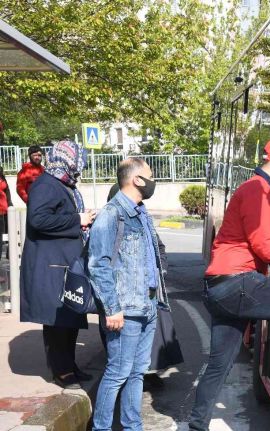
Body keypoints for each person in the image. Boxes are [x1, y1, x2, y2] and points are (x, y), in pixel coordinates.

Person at [187, 135, 270, 431]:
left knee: (219, 364)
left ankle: (196, 425)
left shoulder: (256, 188)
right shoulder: (260, 191)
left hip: (220, 286)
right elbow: (268, 248)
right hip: (237, 283)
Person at [89, 158, 167, 431]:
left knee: (136, 373)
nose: (153, 179)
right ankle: (101, 427)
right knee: (117, 373)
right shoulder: (113, 214)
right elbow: (98, 264)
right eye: (150, 175)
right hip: (125, 310)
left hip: (146, 306)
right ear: (136, 179)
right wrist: (111, 308)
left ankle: (132, 426)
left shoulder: (141, 211)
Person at [19, 140, 96, 389]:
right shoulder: (47, 183)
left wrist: (82, 221)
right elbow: (38, 219)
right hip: (52, 265)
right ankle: (61, 372)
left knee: (69, 320)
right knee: (57, 323)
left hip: (64, 263)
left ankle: (69, 366)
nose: (80, 164)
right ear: (68, 158)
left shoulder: (61, 183)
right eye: (78, 158)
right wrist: (77, 220)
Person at [99, 183, 184, 391]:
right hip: (121, 299)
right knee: (119, 368)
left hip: (147, 293)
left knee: (145, 352)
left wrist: (159, 271)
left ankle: (149, 373)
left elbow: (158, 247)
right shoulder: (108, 220)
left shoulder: (142, 218)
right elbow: (99, 264)